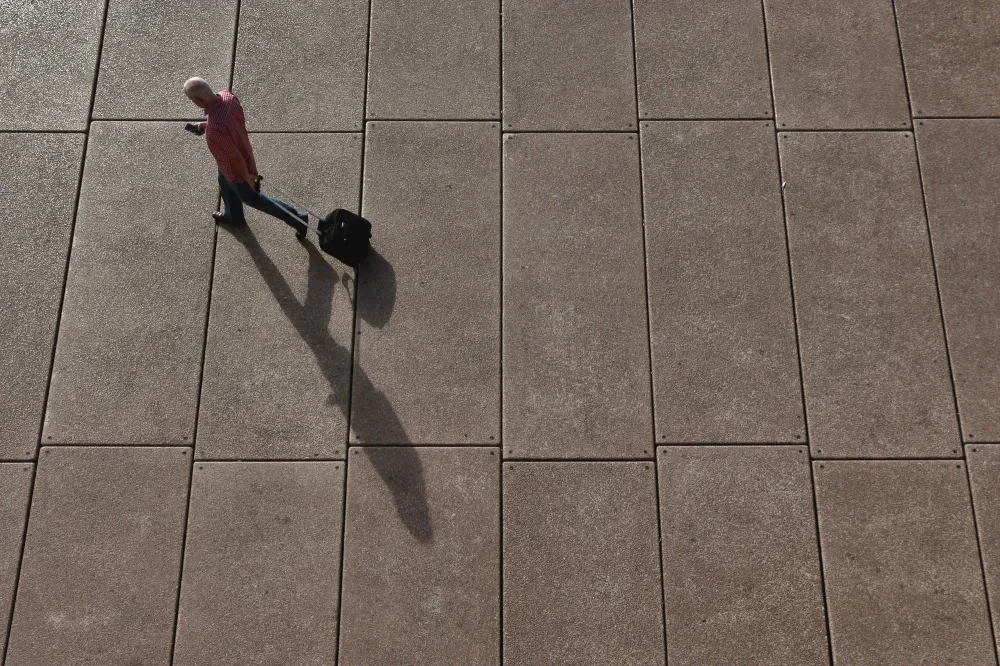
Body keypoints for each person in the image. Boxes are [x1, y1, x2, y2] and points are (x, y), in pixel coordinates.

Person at [183, 77, 309, 239]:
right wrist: (205, 125)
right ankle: (234, 216)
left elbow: (234, 156)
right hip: (229, 163)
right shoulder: (228, 97)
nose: (191, 102)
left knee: (256, 200)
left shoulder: (215, 129)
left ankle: (298, 219)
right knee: (224, 184)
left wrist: (247, 176)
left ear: (199, 100)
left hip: (236, 171)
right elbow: (228, 122)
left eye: (191, 99)